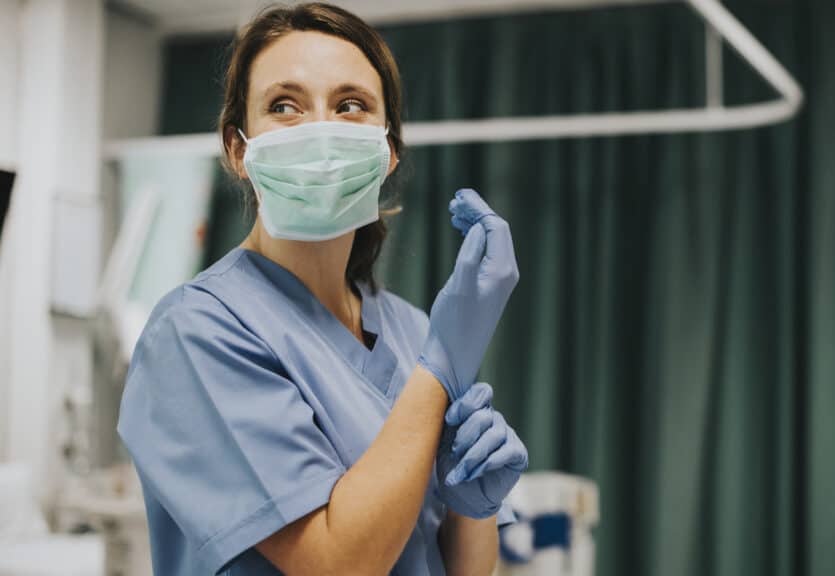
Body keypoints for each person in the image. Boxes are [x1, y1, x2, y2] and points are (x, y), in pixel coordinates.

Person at [116, 3, 527, 574]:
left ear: (388, 152)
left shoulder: (413, 331)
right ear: (238, 150)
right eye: (284, 105)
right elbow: (336, 564)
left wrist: (473, 507)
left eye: (350, 105)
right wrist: (440, 368)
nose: (320, 130)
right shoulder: (195, 333)